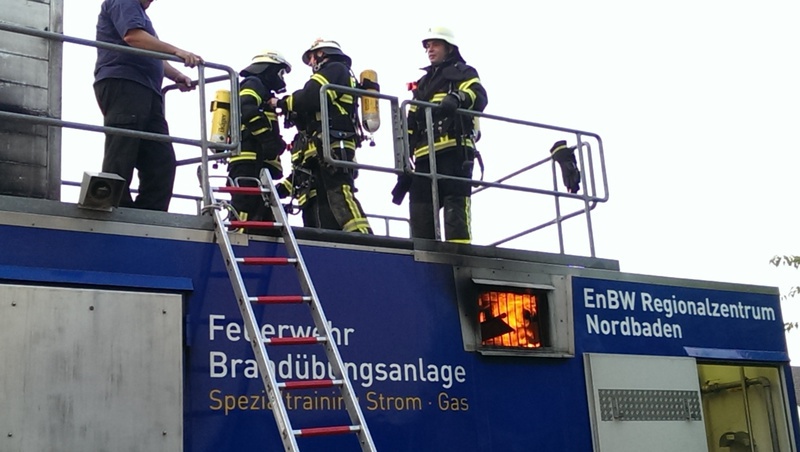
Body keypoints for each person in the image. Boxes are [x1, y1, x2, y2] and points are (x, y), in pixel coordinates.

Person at [93, 0, 202, 211]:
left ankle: (150, 213)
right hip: (126, 82)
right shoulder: (124, 2)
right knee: (123, 146)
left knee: (161, 158)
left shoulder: (140, 15)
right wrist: (177, 51)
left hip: (147, 89)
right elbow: (133, 37)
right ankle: (114, 206)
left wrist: (176, 75)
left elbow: (152, 53)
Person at [270, 39, 372, 234]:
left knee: (339, 191)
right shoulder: (335, 73)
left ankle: (362, 236)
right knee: (320, 196)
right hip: (323, 145)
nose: (310, 63)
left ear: (321, 54)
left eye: (311, 57)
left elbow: (311, 96)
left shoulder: (335, 69)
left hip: (334, 143)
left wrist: (282, 103)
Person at [405, 26, 487, 243]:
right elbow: (411, 120)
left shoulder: (463, 72)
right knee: (420, 211)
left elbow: (479, 96)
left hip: (455, 151)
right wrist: (404, 155)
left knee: (455, 211)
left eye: (435, 45)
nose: (430, 50)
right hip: (424, 157)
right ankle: (425, 254)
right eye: (427, 46)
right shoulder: (422, 83)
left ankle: (458, 256)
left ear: (449, 48)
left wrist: (458, 98)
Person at [228, 50, 291, 224]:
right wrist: (268, 140)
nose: (281, 77)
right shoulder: (253, 83)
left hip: (257, 161)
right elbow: (246, 107)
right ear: (268, 69)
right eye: (280, 72)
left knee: (260, 211)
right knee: (245, 209)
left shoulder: (263, 91)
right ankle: (239, 235)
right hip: (249, 160)